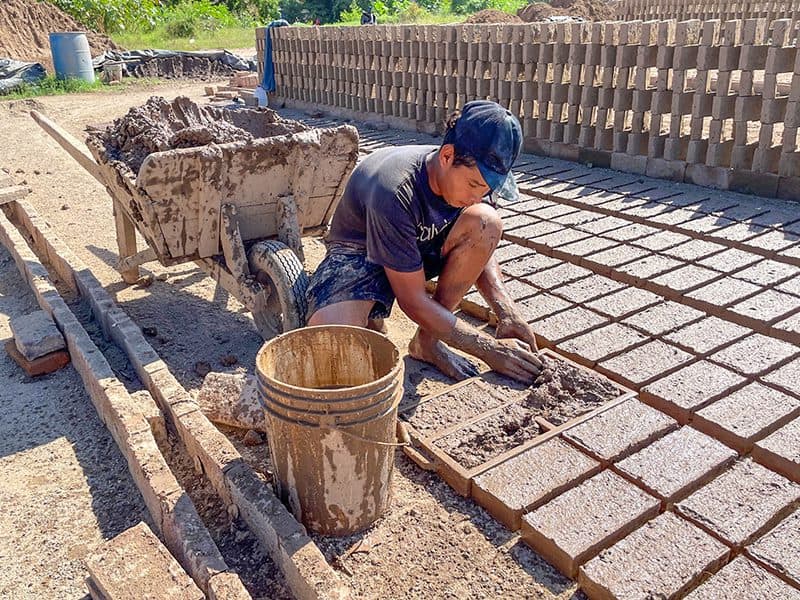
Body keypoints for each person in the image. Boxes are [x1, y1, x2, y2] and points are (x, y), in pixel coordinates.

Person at [306, 101, 543, 383]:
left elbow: (482, 244)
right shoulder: (395, 191)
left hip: (413, 246)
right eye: (474, 186)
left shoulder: (466, 180)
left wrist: (507, 312)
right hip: (361, 253)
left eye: (487, 189)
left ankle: (427, 343)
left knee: (486, 221)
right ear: (447, 156)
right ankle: (365, 310)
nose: (477, 196)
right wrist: (488, 349)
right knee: (331, 338)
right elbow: (413, 300)